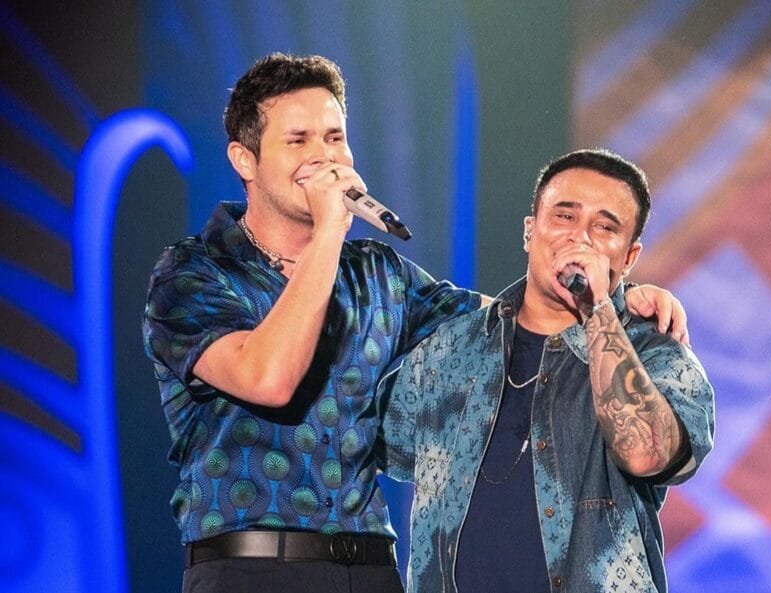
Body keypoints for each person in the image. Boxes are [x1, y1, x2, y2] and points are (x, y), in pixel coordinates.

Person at [142, 53, 692, 593]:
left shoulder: (379, 275)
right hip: (251, 567)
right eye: (299, 140)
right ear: (244, 160)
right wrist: (330, 230)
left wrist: (615, 296)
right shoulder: (193, 273)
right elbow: (268, 378)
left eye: (334, 138)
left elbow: (512, 320)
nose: (324, 158)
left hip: (370, 567)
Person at [377, 149, 715, 593]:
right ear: (529, 230)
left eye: (605, 227)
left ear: (629, 256)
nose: (580, 239)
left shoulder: (655, 351)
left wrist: (598, 308)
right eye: (564, 216)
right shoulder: (451, 349)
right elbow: (359, 439)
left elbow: (646, 453)